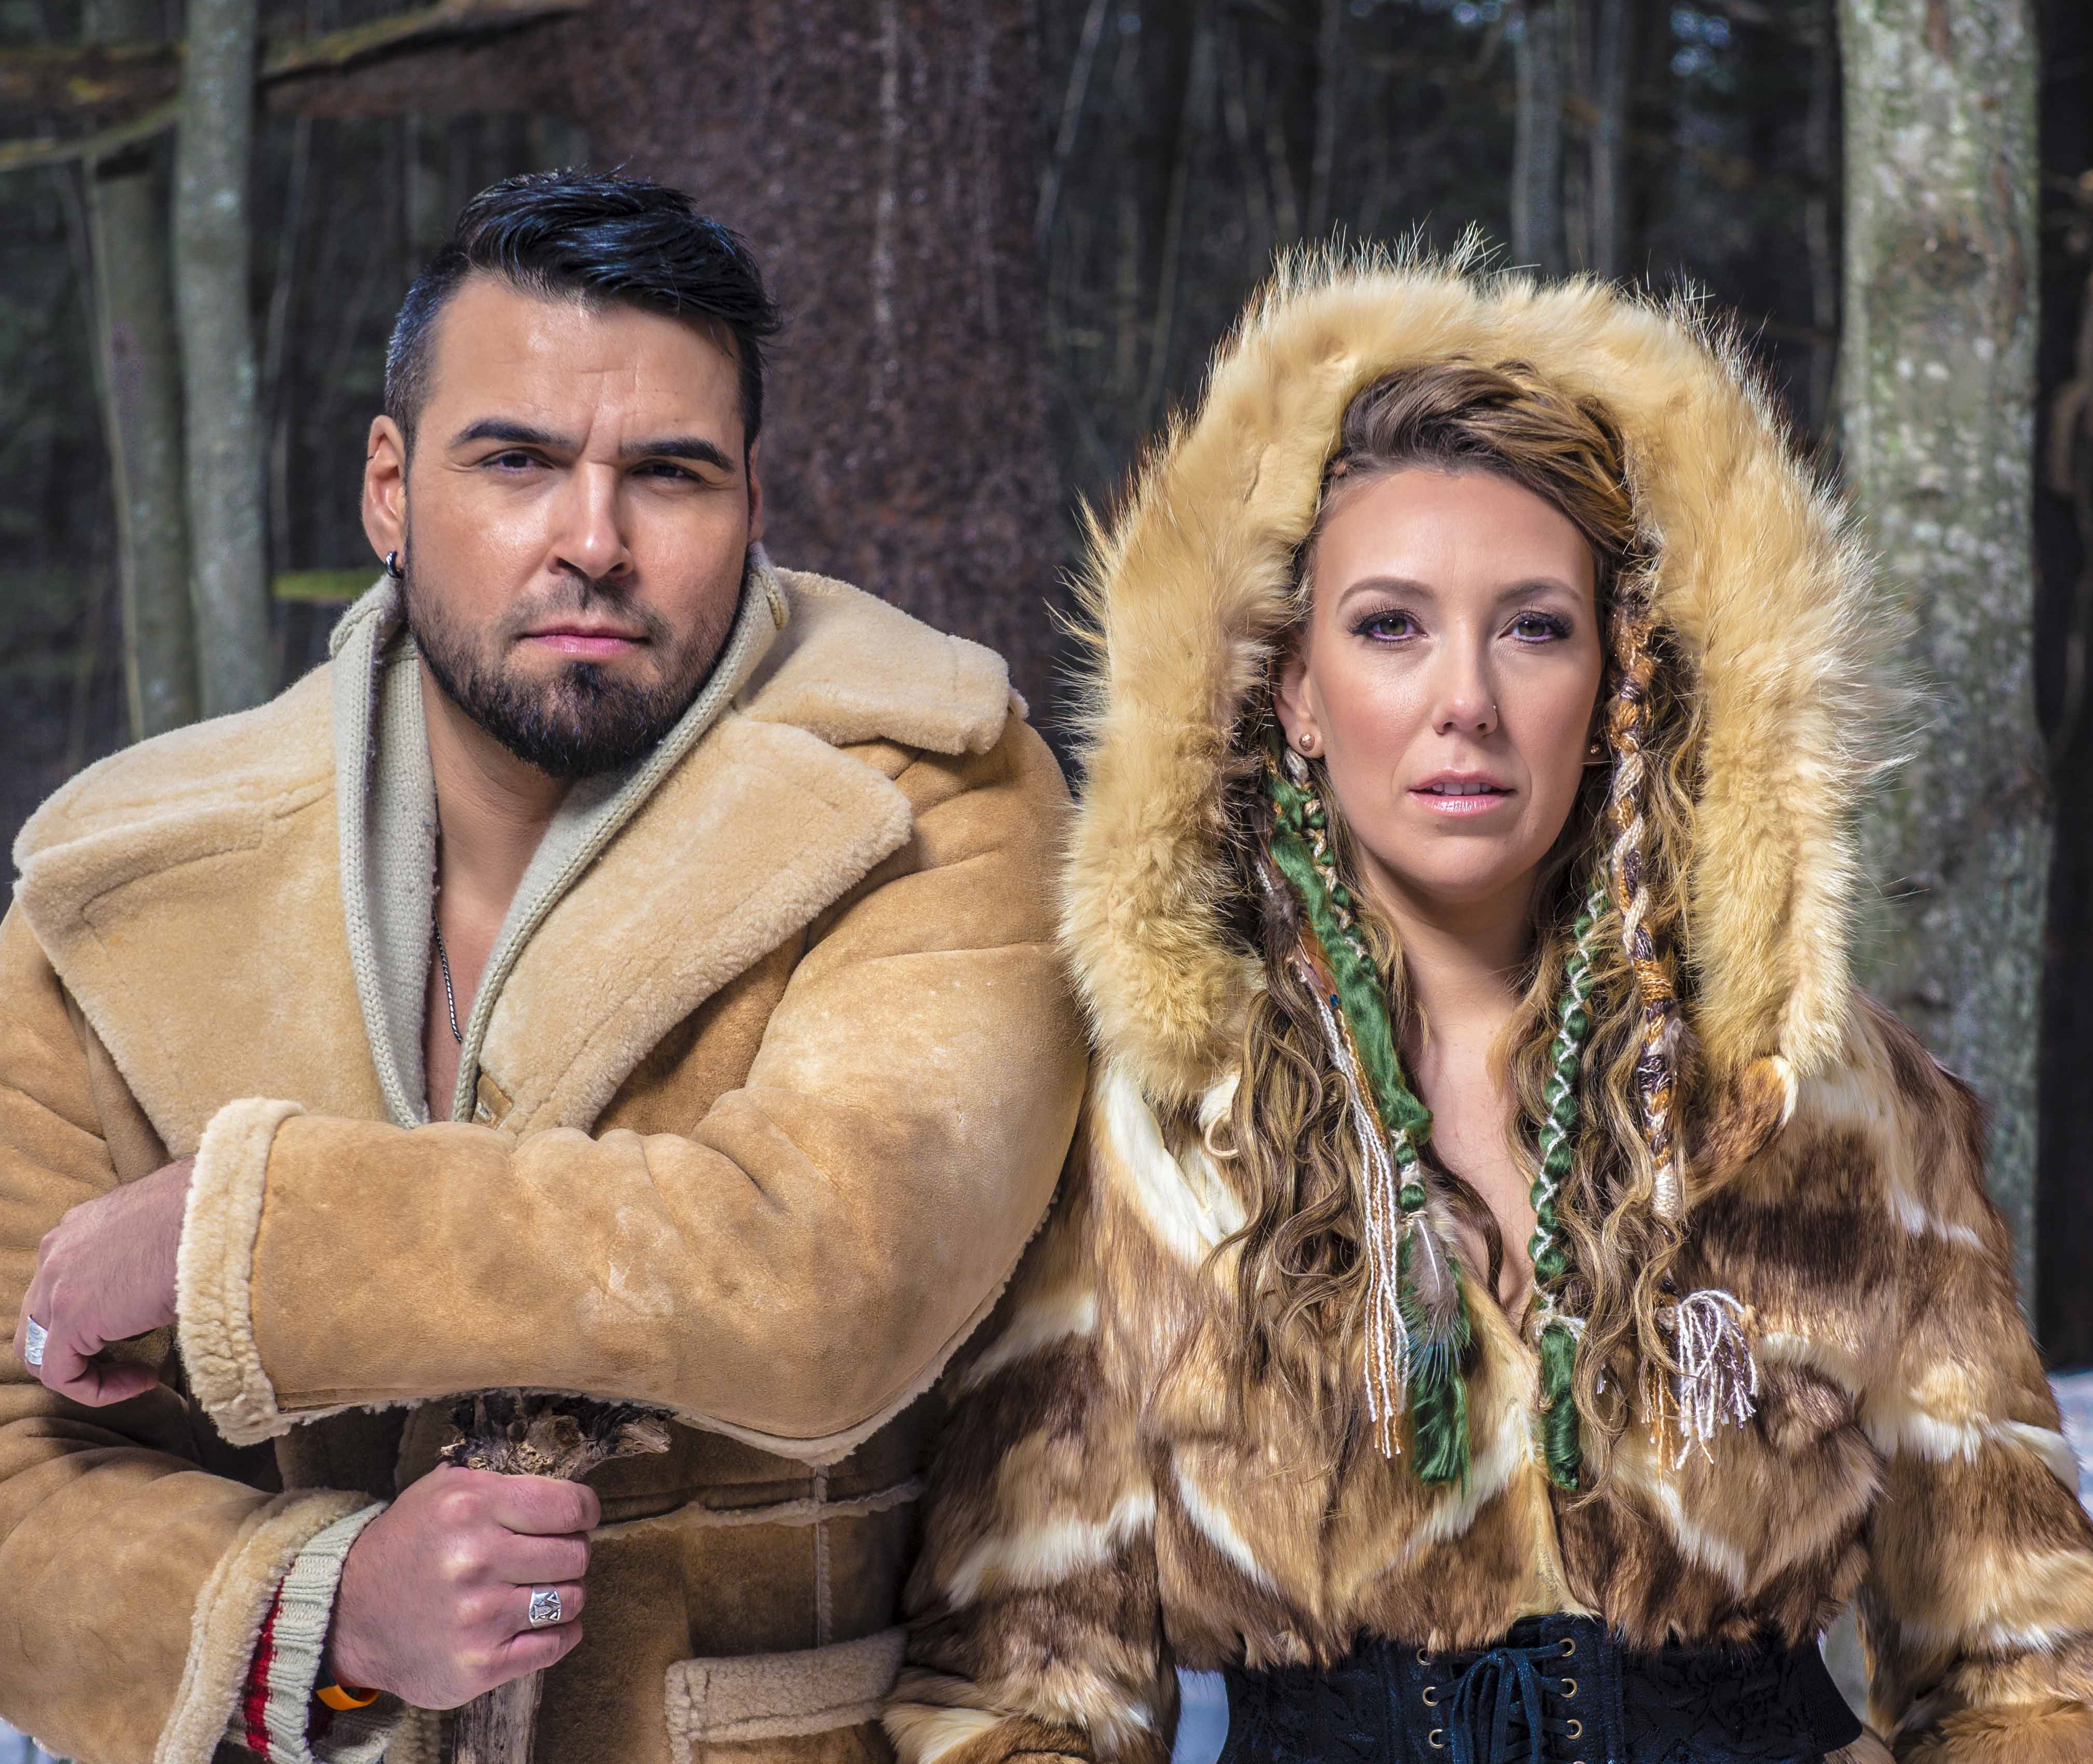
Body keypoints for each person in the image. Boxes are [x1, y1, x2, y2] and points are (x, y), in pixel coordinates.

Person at [887, 255, 2093, 1764]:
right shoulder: (1151, 1133)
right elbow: (1014, 1694)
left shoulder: (1829, 1103)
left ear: (1614, 691)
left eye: (1531, 626)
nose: (1465, 697)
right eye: (1390, 626)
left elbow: (2029, 1666)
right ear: (1294, 693)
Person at [0, 171, 1084, 1764]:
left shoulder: (932, 785)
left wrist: (248, 1233)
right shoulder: (112, 884)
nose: (594, 539)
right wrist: (330, 1611)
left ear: (753, 501)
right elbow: (15, 1478)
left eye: (669, 474)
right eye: (516, 460)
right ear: (389, 485)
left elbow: (827, 1276)